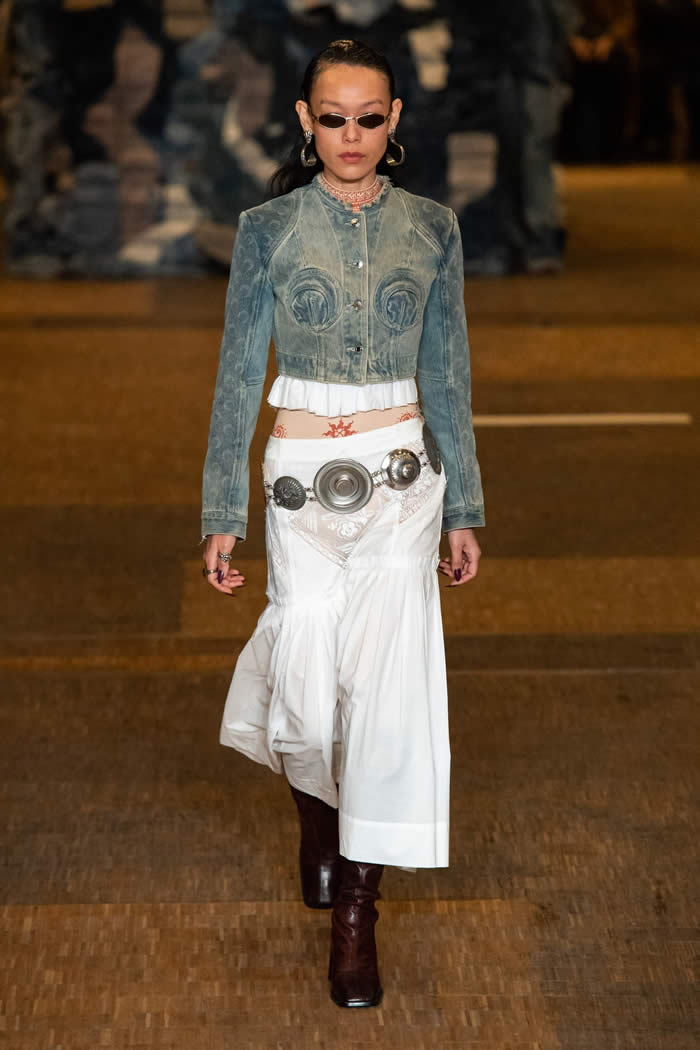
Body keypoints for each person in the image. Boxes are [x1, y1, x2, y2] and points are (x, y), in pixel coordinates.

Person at [200, 38, 485, 1008]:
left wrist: (464, 506)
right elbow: (238, 371)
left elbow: (447, 371)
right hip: (299, 485)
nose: (351, 135)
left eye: (369, 118)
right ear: (304, 120)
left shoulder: (433, 228)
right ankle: (318, 821)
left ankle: (358, 913)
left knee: (387, 692)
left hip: (403, 484)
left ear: (394, 119)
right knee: (308, 683)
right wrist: (221, 512)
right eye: (333, 118)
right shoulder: (268, 228)